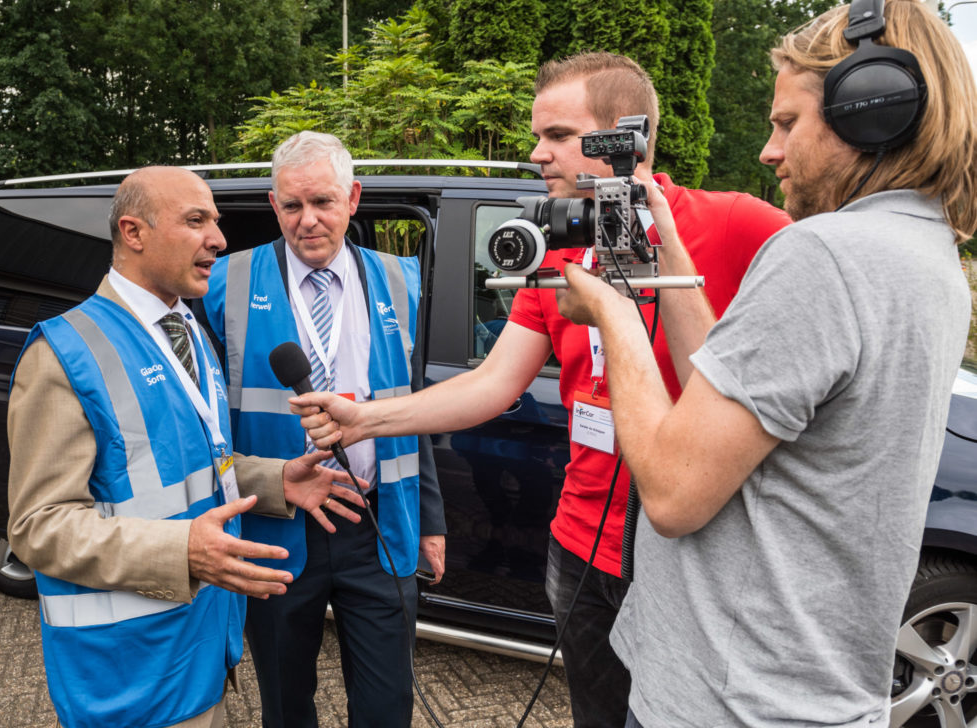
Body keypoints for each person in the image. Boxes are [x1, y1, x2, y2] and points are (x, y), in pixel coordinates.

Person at [292, 52, 790, 728]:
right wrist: (362, 421)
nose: (536, 154)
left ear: (627, 137)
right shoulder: (555, 252)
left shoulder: (738, 225)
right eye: (538, 136)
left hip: (692, 551)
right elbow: (493, 384)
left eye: (556, 135)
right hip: (580, 545)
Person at [553, 0, 977, 727]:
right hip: (805, 692)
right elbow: (729, 398)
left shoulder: (820, 254)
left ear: (869, 112)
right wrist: (670, 261)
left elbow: (676, 492)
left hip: (726, 702)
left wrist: (614, 314)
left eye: (786, 123)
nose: (768, 150)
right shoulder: (926, 256)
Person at [7, 166, 369, 728]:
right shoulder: (63, 354)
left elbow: (194, 465)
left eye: (216, 222)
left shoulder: (189, 331)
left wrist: (275, 482)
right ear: (134, 233)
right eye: (196, 221)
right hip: (129, 673)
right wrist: (181, 552)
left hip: (201, 649)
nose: (219, 240)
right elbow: (38, 527)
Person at [200, 131, 445, 728]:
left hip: (378, 524)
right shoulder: (221, 284)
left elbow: (414, 410)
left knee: (387, 705)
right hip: (276, 528)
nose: (308, 221)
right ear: (273, 204)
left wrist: (432, 524)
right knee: (285, 705)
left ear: (354, 197)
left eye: (324, 202)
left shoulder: (399, 281)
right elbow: (202, 423)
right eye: (292, 206)